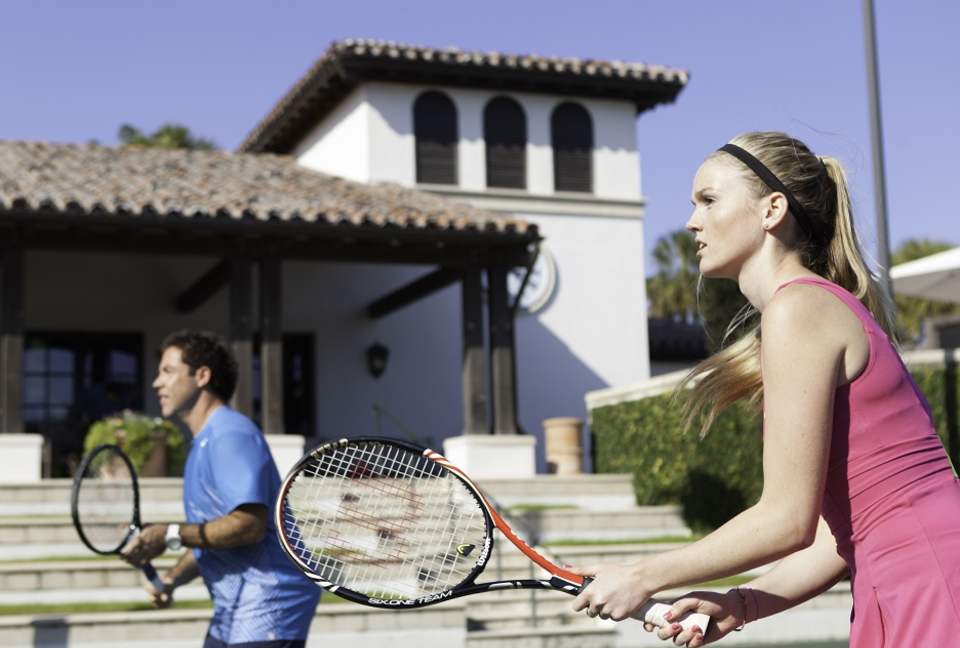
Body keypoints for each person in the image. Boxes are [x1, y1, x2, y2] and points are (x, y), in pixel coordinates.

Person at [570, 131, 960, 646]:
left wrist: (641, 575)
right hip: (911, 572)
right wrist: (742, 604)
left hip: (927, 575)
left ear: (772, 209)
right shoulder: (809, 307)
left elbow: (786, 520)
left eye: (709, 200)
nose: (691, 221)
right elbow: (837, 535)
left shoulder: (798, 309)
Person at [122, 330, 321, 648]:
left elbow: (248, 525)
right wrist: (171, 579)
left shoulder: (230, 435)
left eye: (168, 371)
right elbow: (213, 536)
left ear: (202, 376)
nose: (157, 383)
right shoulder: (203, 441)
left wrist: (168, 533)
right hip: (235, 607)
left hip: (271, 601)